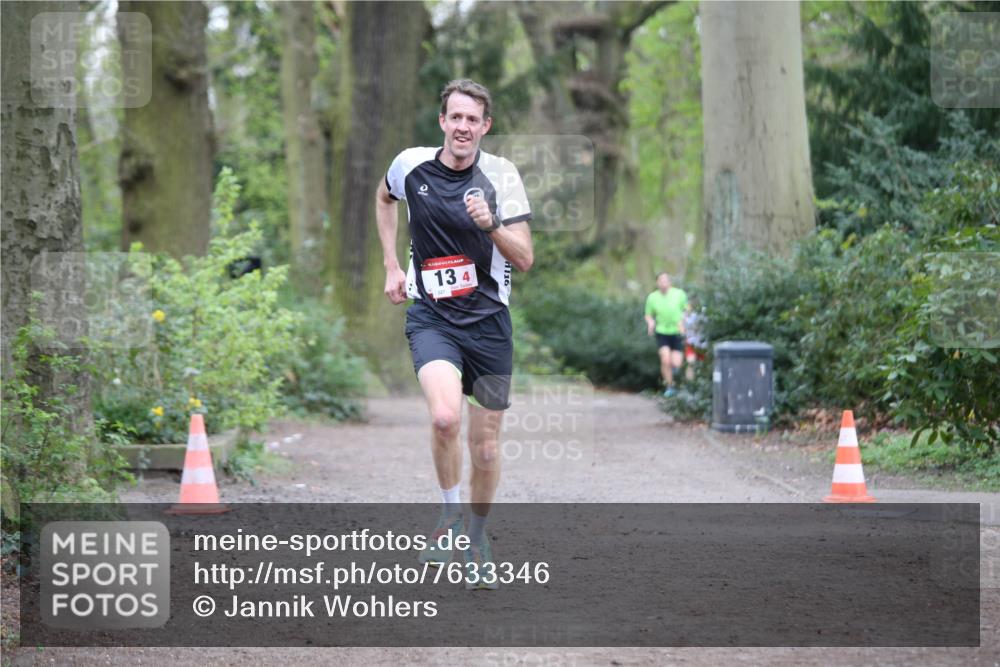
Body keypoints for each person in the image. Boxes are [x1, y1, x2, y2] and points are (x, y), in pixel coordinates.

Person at [375, 79, 533, 590]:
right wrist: (392, 265)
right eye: (455, 117)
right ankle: (449, 518)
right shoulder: (410, 165)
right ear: (442, 121)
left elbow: (526, 258)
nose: (463, 127)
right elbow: (383, 198)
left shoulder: (502, 177)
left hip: (489, 325)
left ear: (485, 126)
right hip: (433, 318)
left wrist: (491, 226)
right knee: (445, 417)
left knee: (485, 449)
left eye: (473, 119)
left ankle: (477, 536)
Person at [644, 272, 687, 397]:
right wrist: (651, 323)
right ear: (657, 283)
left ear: (670, 282)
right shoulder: (652, 297)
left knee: (676, 363)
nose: (663, 283)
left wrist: (683, 322)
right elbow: (648, 314)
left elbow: (686, 310)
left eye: (665, 280)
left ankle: (677, 381)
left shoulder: (679, 294)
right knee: (665, 359)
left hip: (677, 332)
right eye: (660, 281)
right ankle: (669, 386)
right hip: (662, 332)